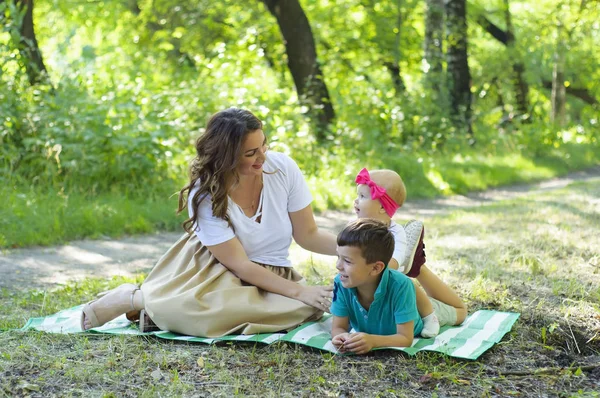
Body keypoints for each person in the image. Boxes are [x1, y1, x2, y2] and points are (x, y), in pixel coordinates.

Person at [80, 107, 339, 337]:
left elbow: (308, 235)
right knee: (202, 309)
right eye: (251, 153)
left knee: (306, 308)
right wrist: (299, 291)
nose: (262, 157)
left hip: (271, 271)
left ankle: (162, 316)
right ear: (227, 156)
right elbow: (240, 265)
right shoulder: (206, 193)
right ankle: (137, 299)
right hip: (213, 268)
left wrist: (358, 247)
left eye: (264, 145)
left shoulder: (283, 168)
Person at [351, 167, 467, 338]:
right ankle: (415, 264)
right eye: (357, 195)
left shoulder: (396, 232)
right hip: (372, 294)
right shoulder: (354, 228)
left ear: (383, 207)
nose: (355, 201)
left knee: (460, 312)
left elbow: (396, 260)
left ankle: (430, 315)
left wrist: (370, 269)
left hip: (397, 292)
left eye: (362, 196)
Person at [330, 218, 464, 354]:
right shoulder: (340, 283)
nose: (338, 265)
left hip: (420, 313)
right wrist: (341, 337)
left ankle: (418, 266)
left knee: (461, 313)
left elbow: (405, 338)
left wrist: (373, 341)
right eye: (338, 257)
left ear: (376, 268)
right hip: (404, 302)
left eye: (347, 261)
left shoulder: (400, 286)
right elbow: (338, 327)